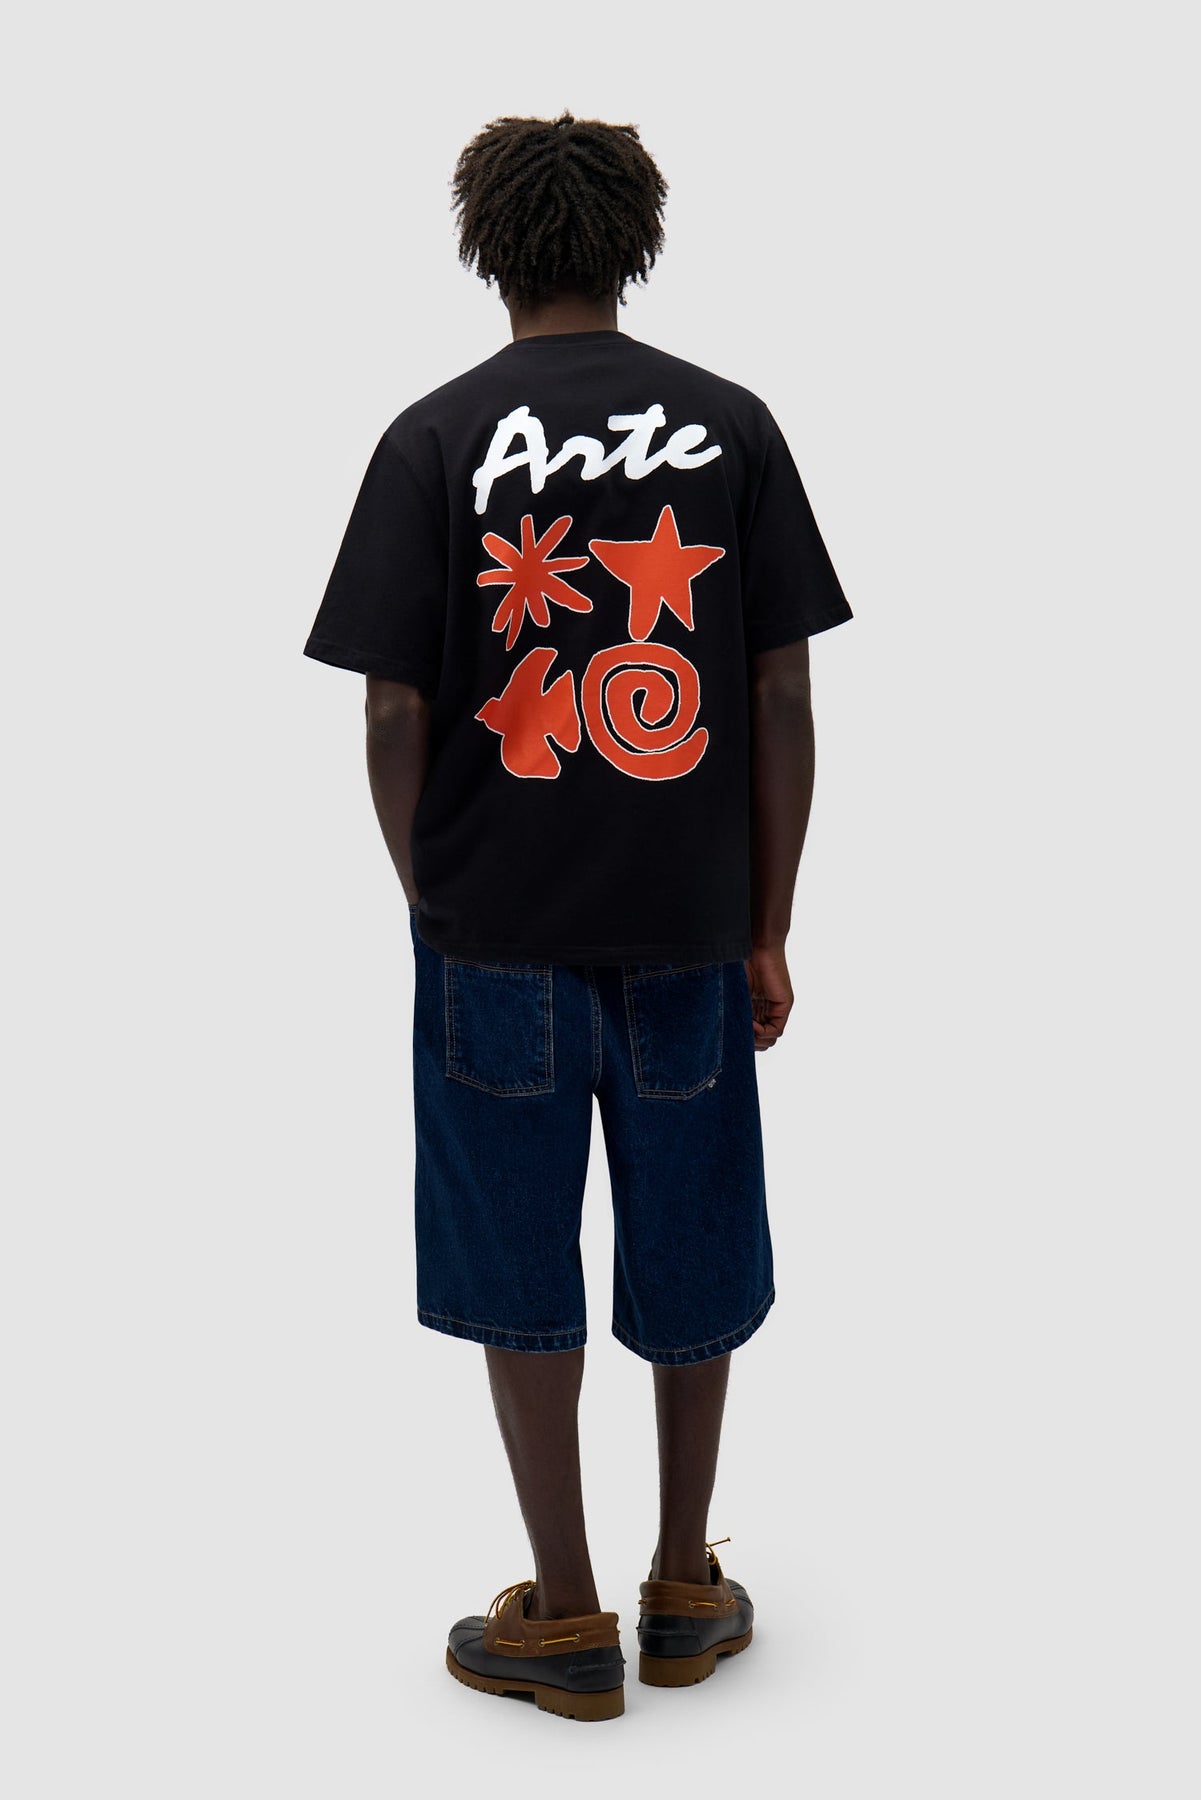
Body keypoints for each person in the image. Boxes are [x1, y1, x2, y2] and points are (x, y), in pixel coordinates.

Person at [303, 111, 853, 1722]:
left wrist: (430, 891)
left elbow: (389, 712)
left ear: (487, 247)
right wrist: (768, 922)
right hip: (690, 929)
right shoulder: (730, 426)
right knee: (692, 1236)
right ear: (636, 241)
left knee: (515, 1251)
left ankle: (560, 1616)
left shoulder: (432, 438)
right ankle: (683, 1587)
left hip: (496, 936)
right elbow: (779, 693)